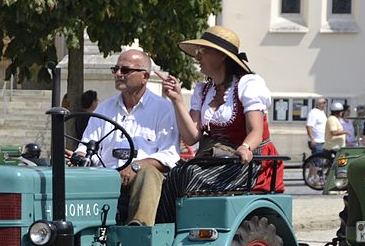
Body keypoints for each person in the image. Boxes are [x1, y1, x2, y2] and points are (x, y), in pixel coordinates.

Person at [155, 25, 284, 223]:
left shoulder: (248, 84)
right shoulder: (204, 90)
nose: (197, 56)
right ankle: (164, 234)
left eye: (203, 51)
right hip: (217, 158)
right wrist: (177, 100)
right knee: (174, 176)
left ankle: (180, 229)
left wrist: (246, 147)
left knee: (189, 174)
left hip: (250, 163)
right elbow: (192, 137)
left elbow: (256, 131)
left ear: (221, 56)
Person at [73, 49, 180, 226]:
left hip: (143, 181)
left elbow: (170, 155)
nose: (118, 74)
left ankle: (138, 230)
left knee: (148, 174)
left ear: (145, 76)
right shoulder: (104, 109)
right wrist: (80, 156)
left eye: (125, 70)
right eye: (115, 69)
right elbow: (86, 145)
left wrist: (137, 166)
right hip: (105, 177)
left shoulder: (164, 109)